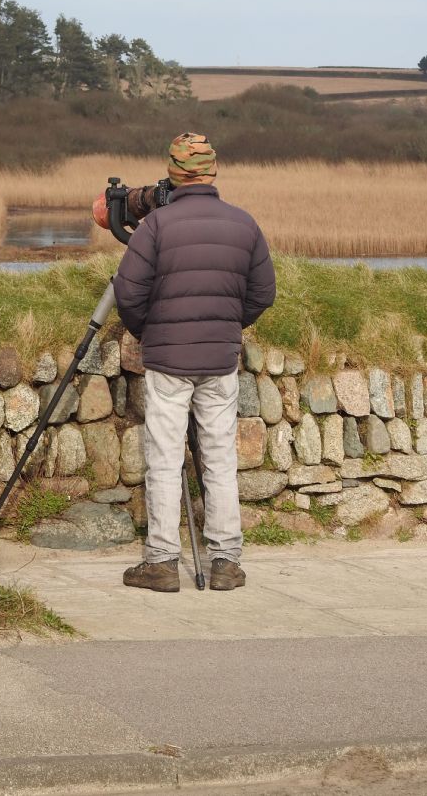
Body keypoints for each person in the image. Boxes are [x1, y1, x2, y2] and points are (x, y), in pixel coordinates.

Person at [112, 133, 276, 592]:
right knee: (220, 458)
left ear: (174, 173)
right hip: (220, 359)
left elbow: (128, 293)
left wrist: (149, 329)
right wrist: (228, 323)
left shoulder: (156, 226)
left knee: (165, 459)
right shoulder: (244, 224)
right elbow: (263, 293)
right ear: (212, 171)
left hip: (168, 359)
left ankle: (162, 561)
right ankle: (226, 561)